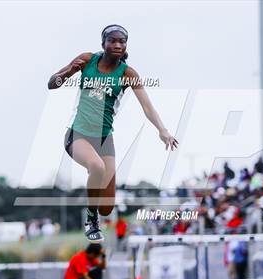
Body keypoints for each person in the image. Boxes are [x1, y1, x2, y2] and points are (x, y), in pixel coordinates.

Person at [48, 24, 179, 243]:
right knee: (96, 166)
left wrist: (163, 131)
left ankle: (98, 213)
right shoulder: (87, 60)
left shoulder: (127, 73)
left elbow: (148, 107)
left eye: (122, 41)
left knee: (107, 207)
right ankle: (91, 220)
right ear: (103, 43)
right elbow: (52, 84)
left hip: (104, 138)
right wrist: (67, 71)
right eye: (112, 40)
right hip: (78, 133)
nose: (117, 45)